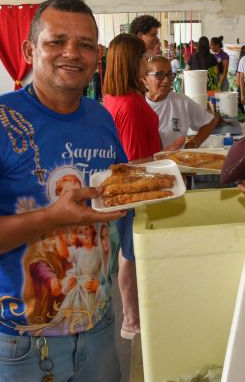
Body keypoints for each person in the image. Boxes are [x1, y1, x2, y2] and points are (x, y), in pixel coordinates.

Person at [0, 0, 128, 381]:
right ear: (29, 49)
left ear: (96, 56)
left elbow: (115, 192)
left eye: (85, 44)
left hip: (98, 325)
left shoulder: (101, 117)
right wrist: (51, 219)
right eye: (57, 41)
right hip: (21, 342)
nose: (72, 52)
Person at [102, 34, 180, 340]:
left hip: (134, 188)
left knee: (129, 252)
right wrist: (168, 154)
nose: (150, 61)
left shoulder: (117, 98)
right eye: (145, 58)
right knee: (132, 255)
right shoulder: (130, 105)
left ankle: (133, 316)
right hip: (136, 189)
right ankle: (132, 319)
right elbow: (133, 162)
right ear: (132, 62)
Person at [144, 55, 218, 149]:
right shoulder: (138, 105)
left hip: (176, 162)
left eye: (170, 74)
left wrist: (192, 145)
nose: (166, 80)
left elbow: (210, 122)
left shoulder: (182, 102)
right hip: (147, 163)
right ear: (144, 79)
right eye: (160, 75)